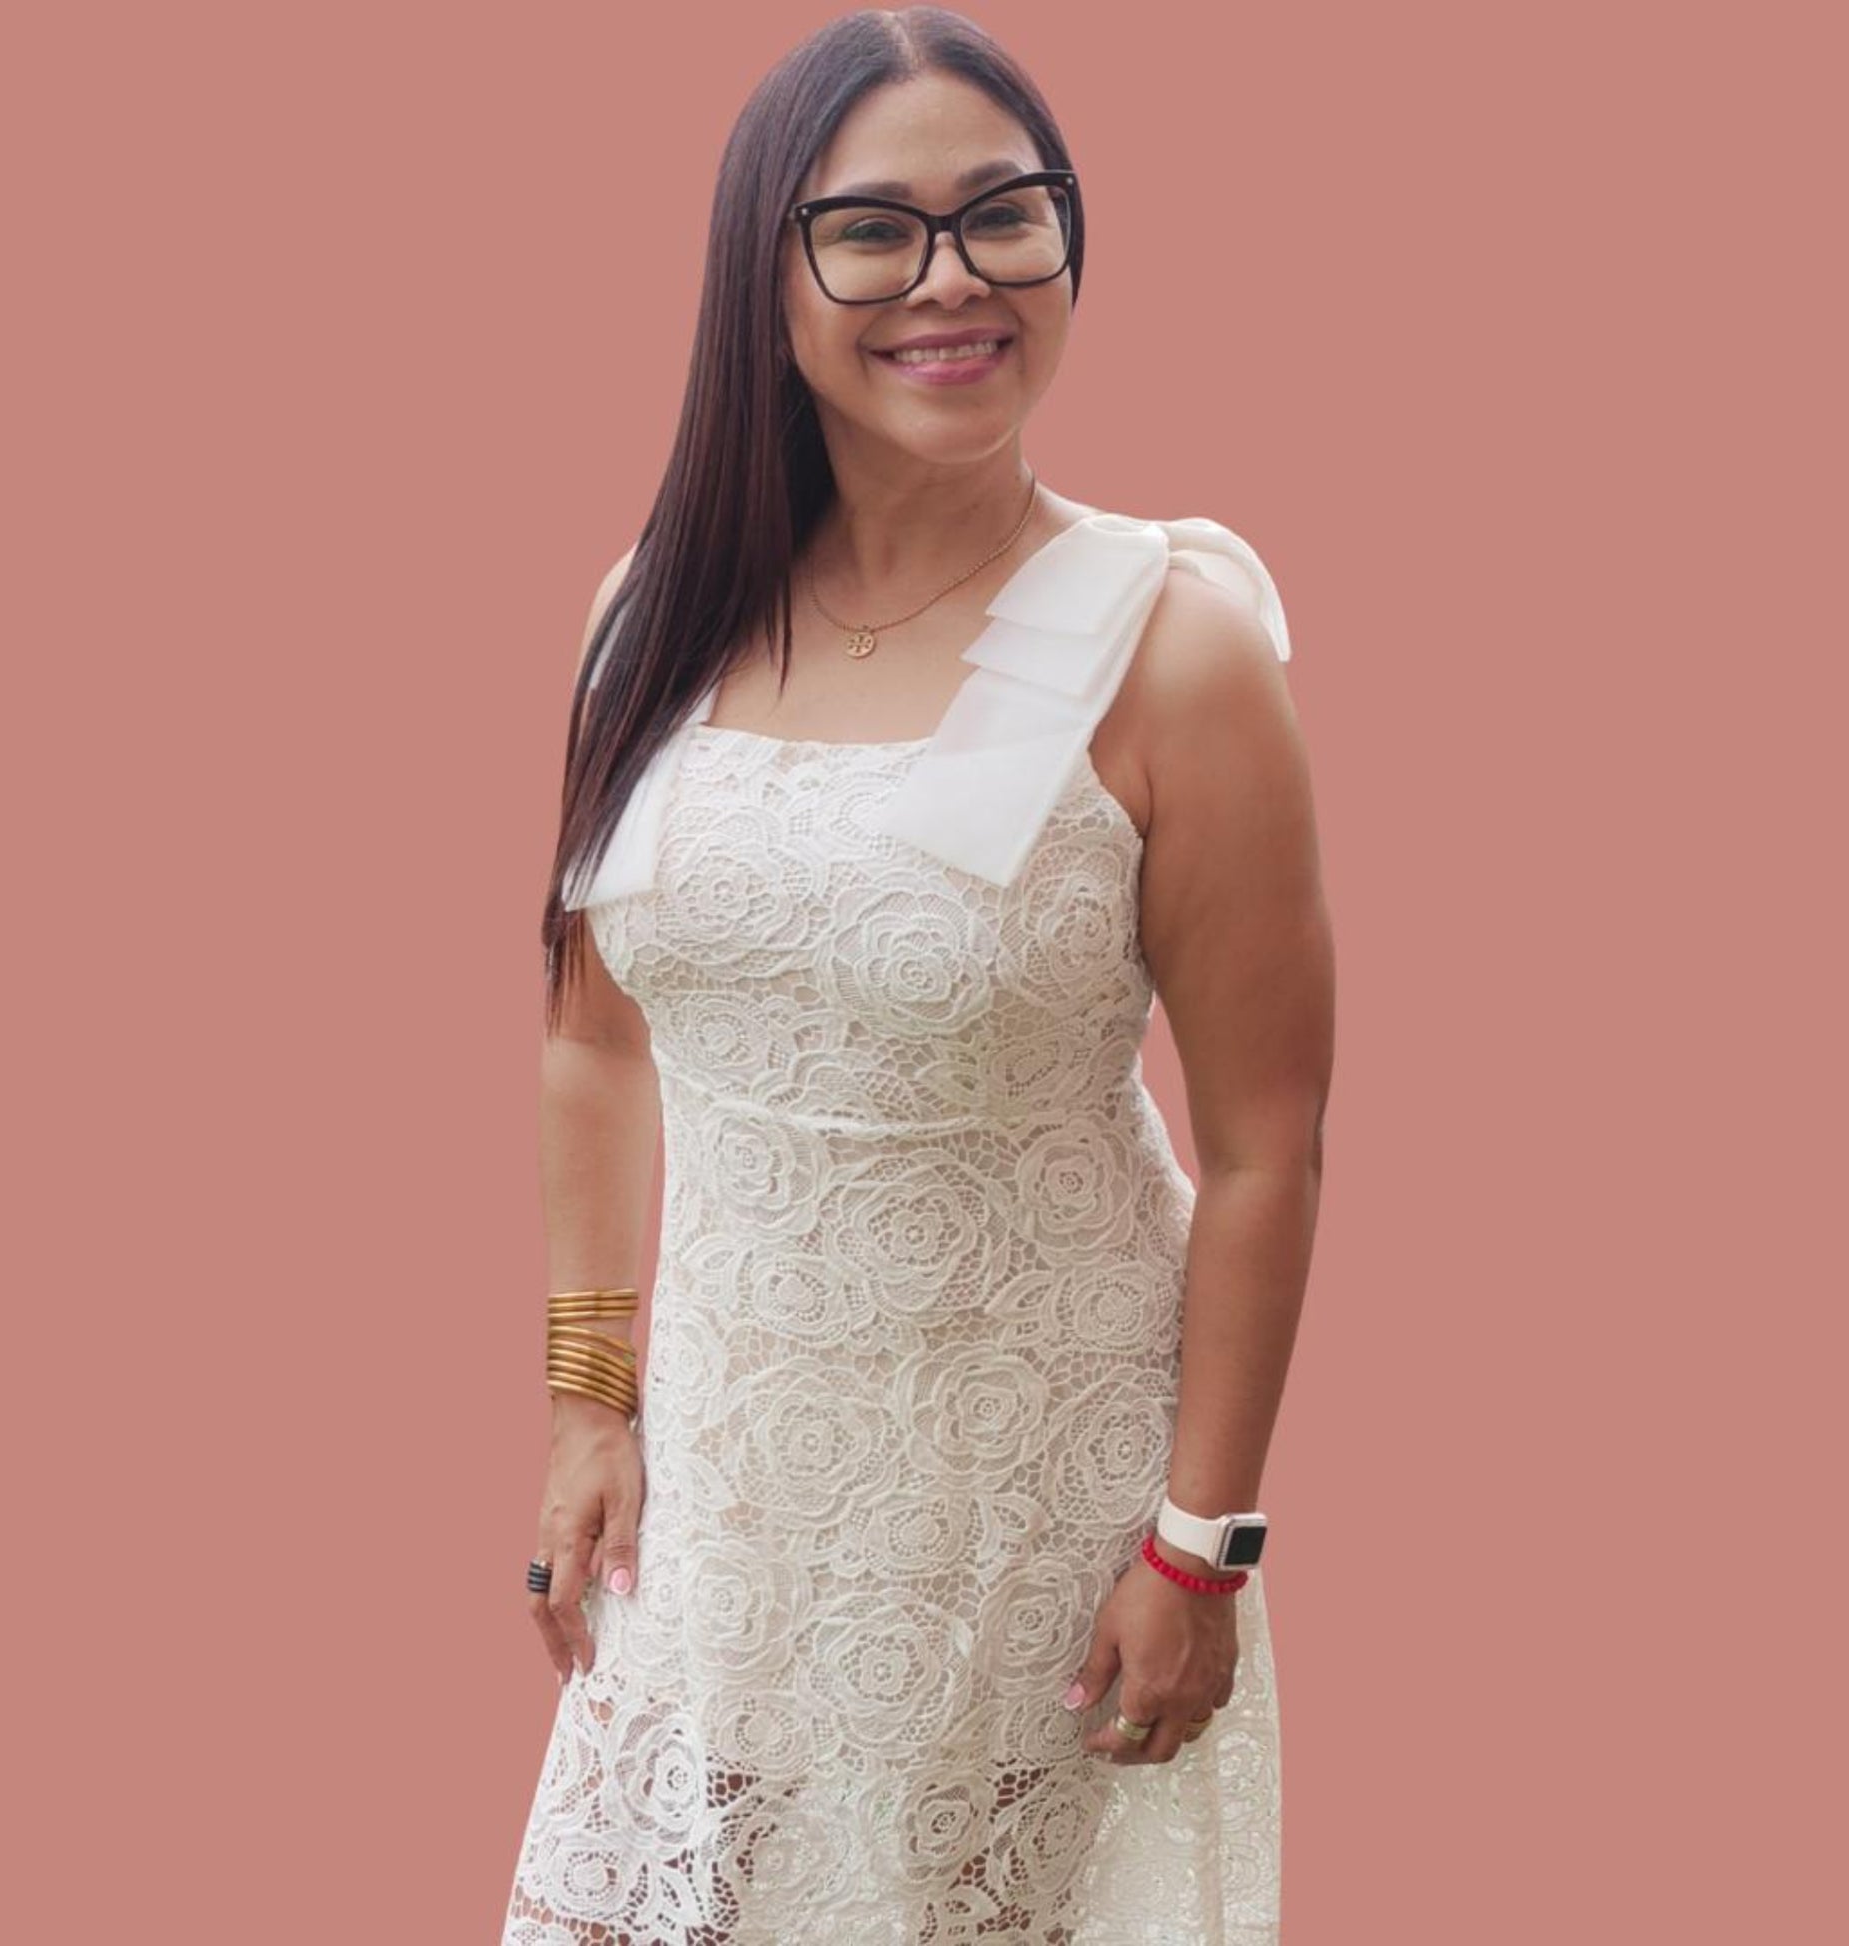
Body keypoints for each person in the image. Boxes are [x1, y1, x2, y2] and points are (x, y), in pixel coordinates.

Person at [503, 10, 1333, 1942]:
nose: (950, 276)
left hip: (1030, 1507)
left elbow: (1266, 1149)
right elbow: (590, 1039)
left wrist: (1197, 1548)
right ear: (764, 278)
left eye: (1002, 216)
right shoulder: (651, 618)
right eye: (872, 229)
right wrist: (586, 1400)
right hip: (724, 1490)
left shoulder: (1173, 648)